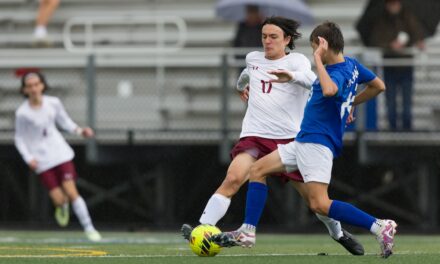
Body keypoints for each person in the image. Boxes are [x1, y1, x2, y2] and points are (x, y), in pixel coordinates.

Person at [181, 17, 364, 256]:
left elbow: (315, 82)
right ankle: (203, 228)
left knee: (316, 202)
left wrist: (293, 76)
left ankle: (338, 233)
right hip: (255, 136)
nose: (267, 41)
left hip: (291, 141)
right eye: (264, 36)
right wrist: (240, 88)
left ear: (287, 39)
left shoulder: (297, 61)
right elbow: (246, 75)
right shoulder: (253, 58)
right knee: (233, 178)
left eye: (273, 37)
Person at [212, 22, 396, 258]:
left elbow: (330, 90)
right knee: (257, 170)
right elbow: (378, 86)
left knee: (319, 203)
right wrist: (349, 103)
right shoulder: (352, 65)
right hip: (303, 140)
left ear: (322, 45)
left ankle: (380, 226)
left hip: (317, 143)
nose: (312, 53)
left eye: (314, 48)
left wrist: (319, 62)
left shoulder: (334, 71)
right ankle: (247, 231)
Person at [14, 71, 101, 242]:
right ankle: (63, 206)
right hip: (42, 160)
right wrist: (28, 157)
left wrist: (80, 131)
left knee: (71, 191)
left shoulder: (53, 103)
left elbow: (65, 122)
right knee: (59, 199)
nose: (33, 89)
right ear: (24, 90)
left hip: (60, 153)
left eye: (36, 84)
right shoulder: (22, 113)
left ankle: (89, 228)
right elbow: (19, 138)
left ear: (42, 86)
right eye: (29, 86)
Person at [368, 0, 425, 130]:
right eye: (392, 3)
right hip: (390, 67)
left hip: (406, 66)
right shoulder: (381, 21)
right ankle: (393, 130)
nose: (394, 6)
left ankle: (407, 131)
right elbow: (376, 40)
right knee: (391, 102)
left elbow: (417, 33)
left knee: (407, 102)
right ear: (387, 5)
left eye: (396, 3)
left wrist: (418, 41)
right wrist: (391, 46)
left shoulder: (409, 17)